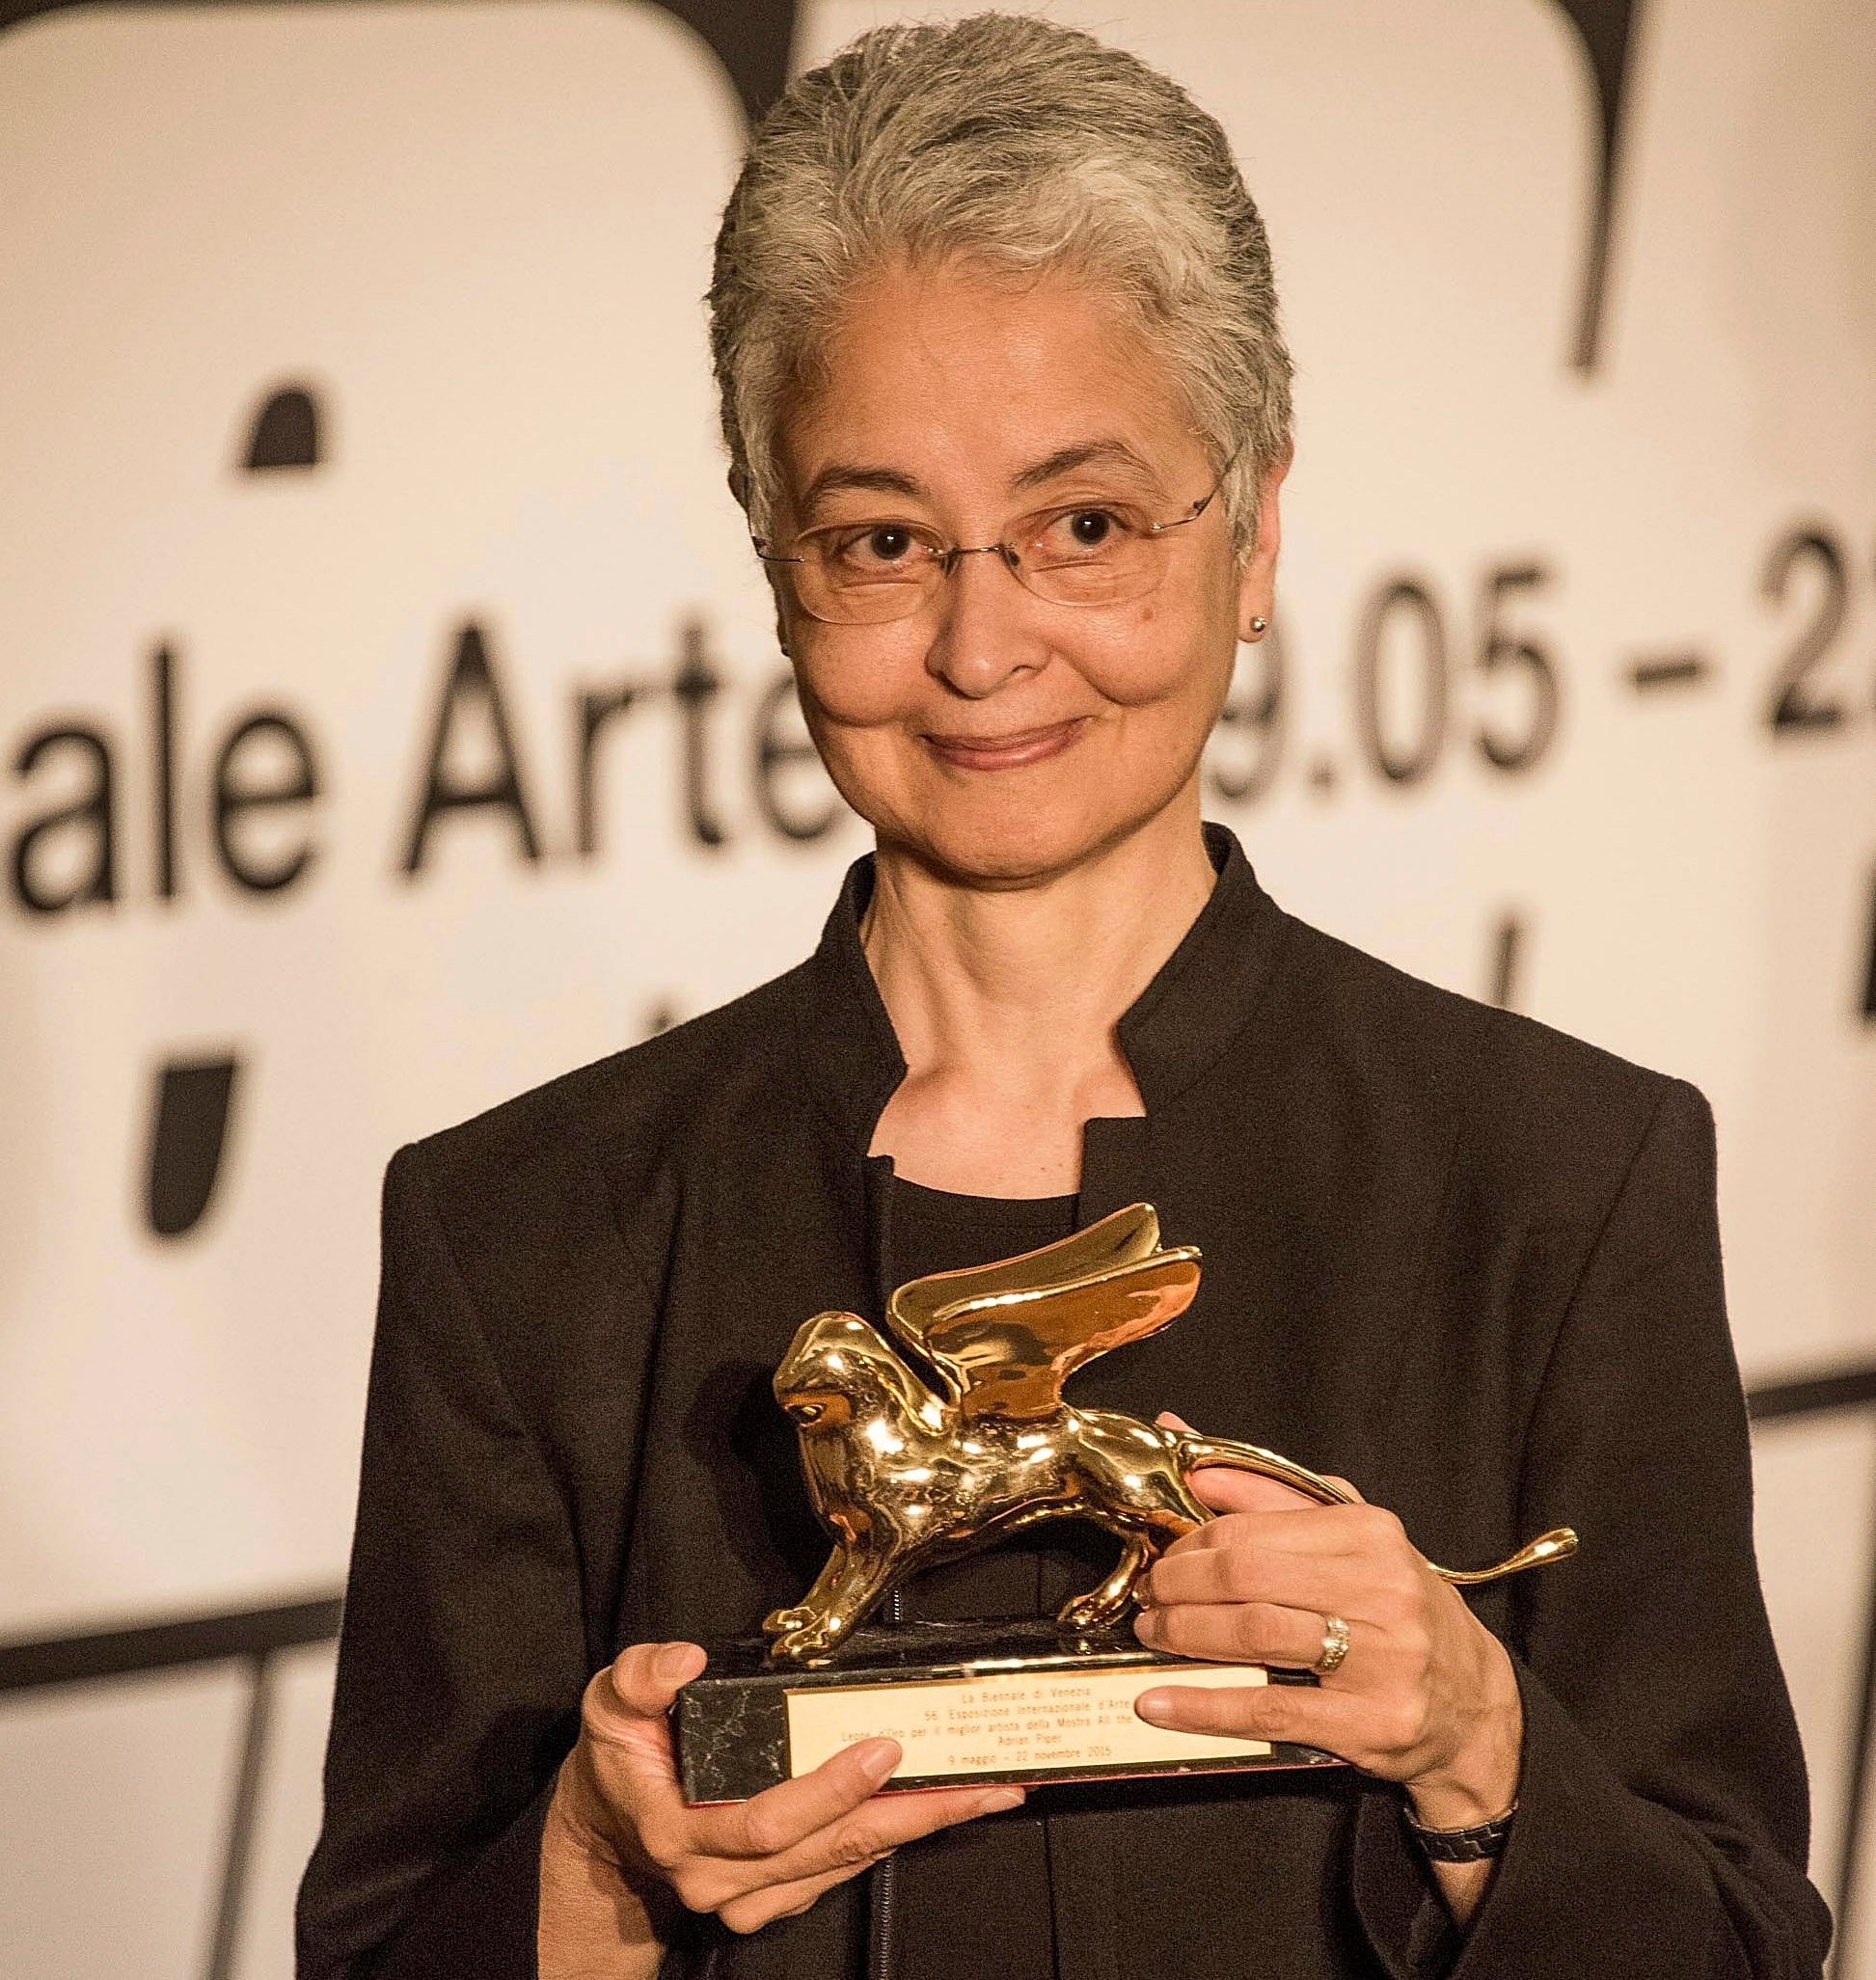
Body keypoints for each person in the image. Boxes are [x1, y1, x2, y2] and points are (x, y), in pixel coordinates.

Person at [297, 15, 1831, 1979]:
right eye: (881, 543)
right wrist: (596, 1863)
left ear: (1254, 529)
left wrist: (1476, 1740)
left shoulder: (1563, 1177)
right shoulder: (515, 1236)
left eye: (1084, 526)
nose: (980, 640)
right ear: (776, 567)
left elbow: (1735, 1943)